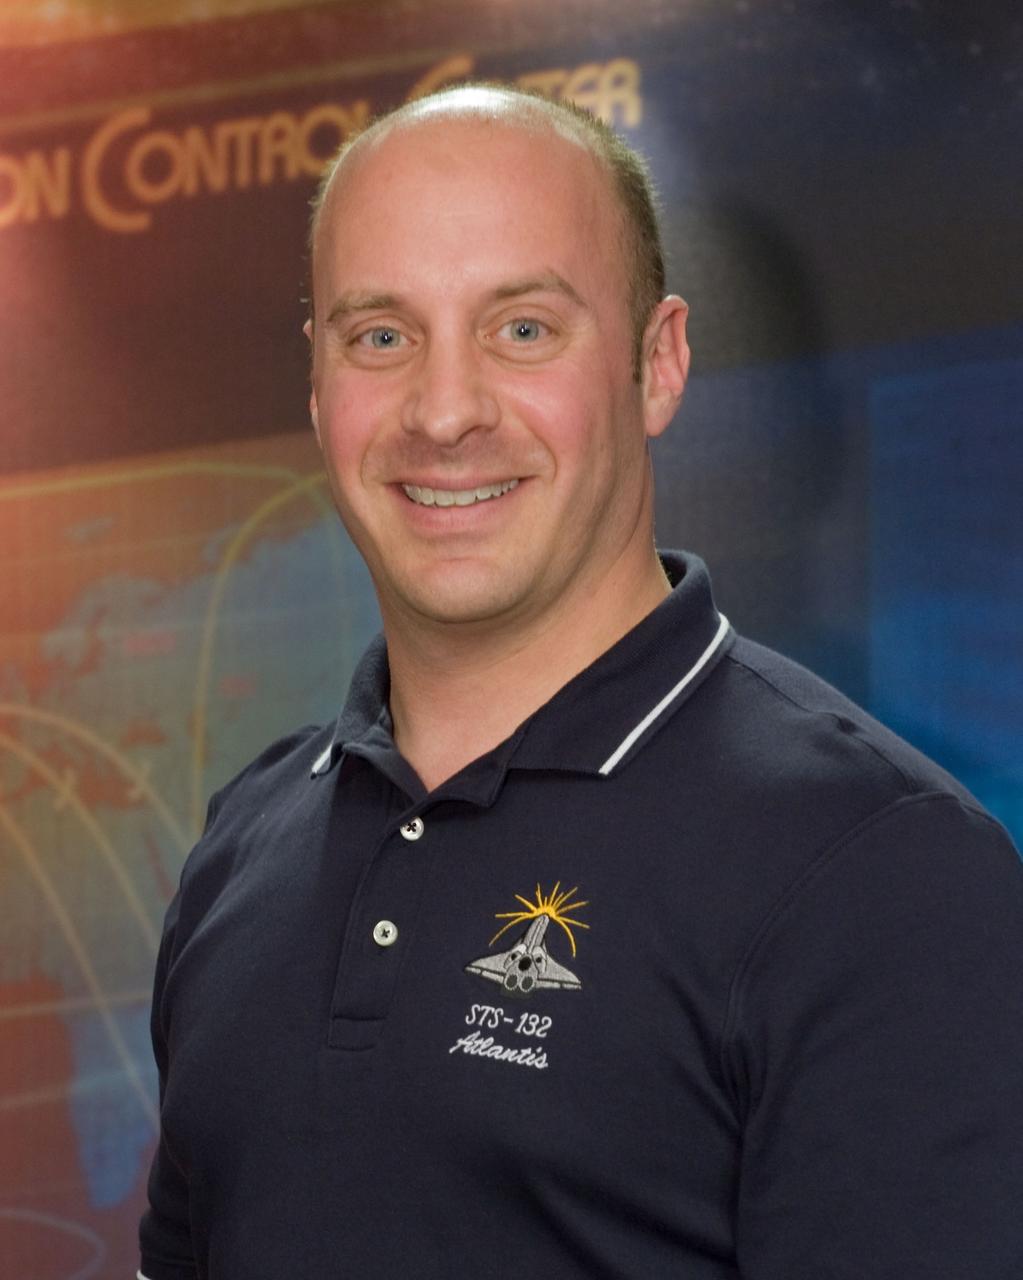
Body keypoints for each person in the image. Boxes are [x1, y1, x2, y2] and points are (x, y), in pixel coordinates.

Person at [138, 85, 1023, 1279]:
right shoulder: (243, 845)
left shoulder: (880, 868)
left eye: (523, 329)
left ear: (659, 365)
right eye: (382, 336)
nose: (444, 413)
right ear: (318, 383)